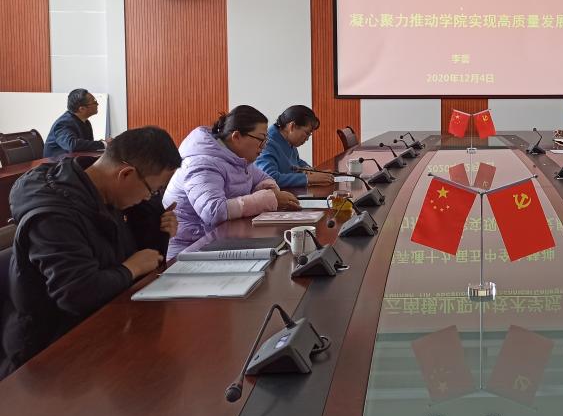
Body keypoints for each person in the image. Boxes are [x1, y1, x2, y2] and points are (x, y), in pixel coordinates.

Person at [2, 127, 181, 377]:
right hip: (50, 353)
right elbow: (76, 294)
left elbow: (140, 258)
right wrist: (131, 268)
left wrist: (158, 231)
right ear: (126, 174)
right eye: (152, 190)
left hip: (102, 325)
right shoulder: (54, 216)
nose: (148, 197)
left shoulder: (103, 192)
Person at [162, 106, 299, 258]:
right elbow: (213, 211)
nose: (264, 146)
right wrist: (269, 199)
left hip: (220, 242)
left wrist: (269, 190)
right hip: (190, 250)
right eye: (261, 139)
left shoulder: (236, 158)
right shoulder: (202, 163)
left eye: (266, 140)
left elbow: (262, 178)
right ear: (236, 136)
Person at [255, 105, 334, 188]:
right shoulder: (266, 143)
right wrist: (308, 178)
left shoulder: (287, 139)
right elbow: (270, 178)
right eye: (307, 133)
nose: (307, 139)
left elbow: (296, 162)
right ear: (292, 126)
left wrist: (311, 170)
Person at [41, 88, 107, 158]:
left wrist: (103, 144)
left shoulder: (86, 122)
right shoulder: (63, 123)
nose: (97, 104)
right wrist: (103, 144)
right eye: (94, 102)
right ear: (82, 109)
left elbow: (87, 147)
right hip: (56, 163)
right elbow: (72, 145)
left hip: (73, 160)